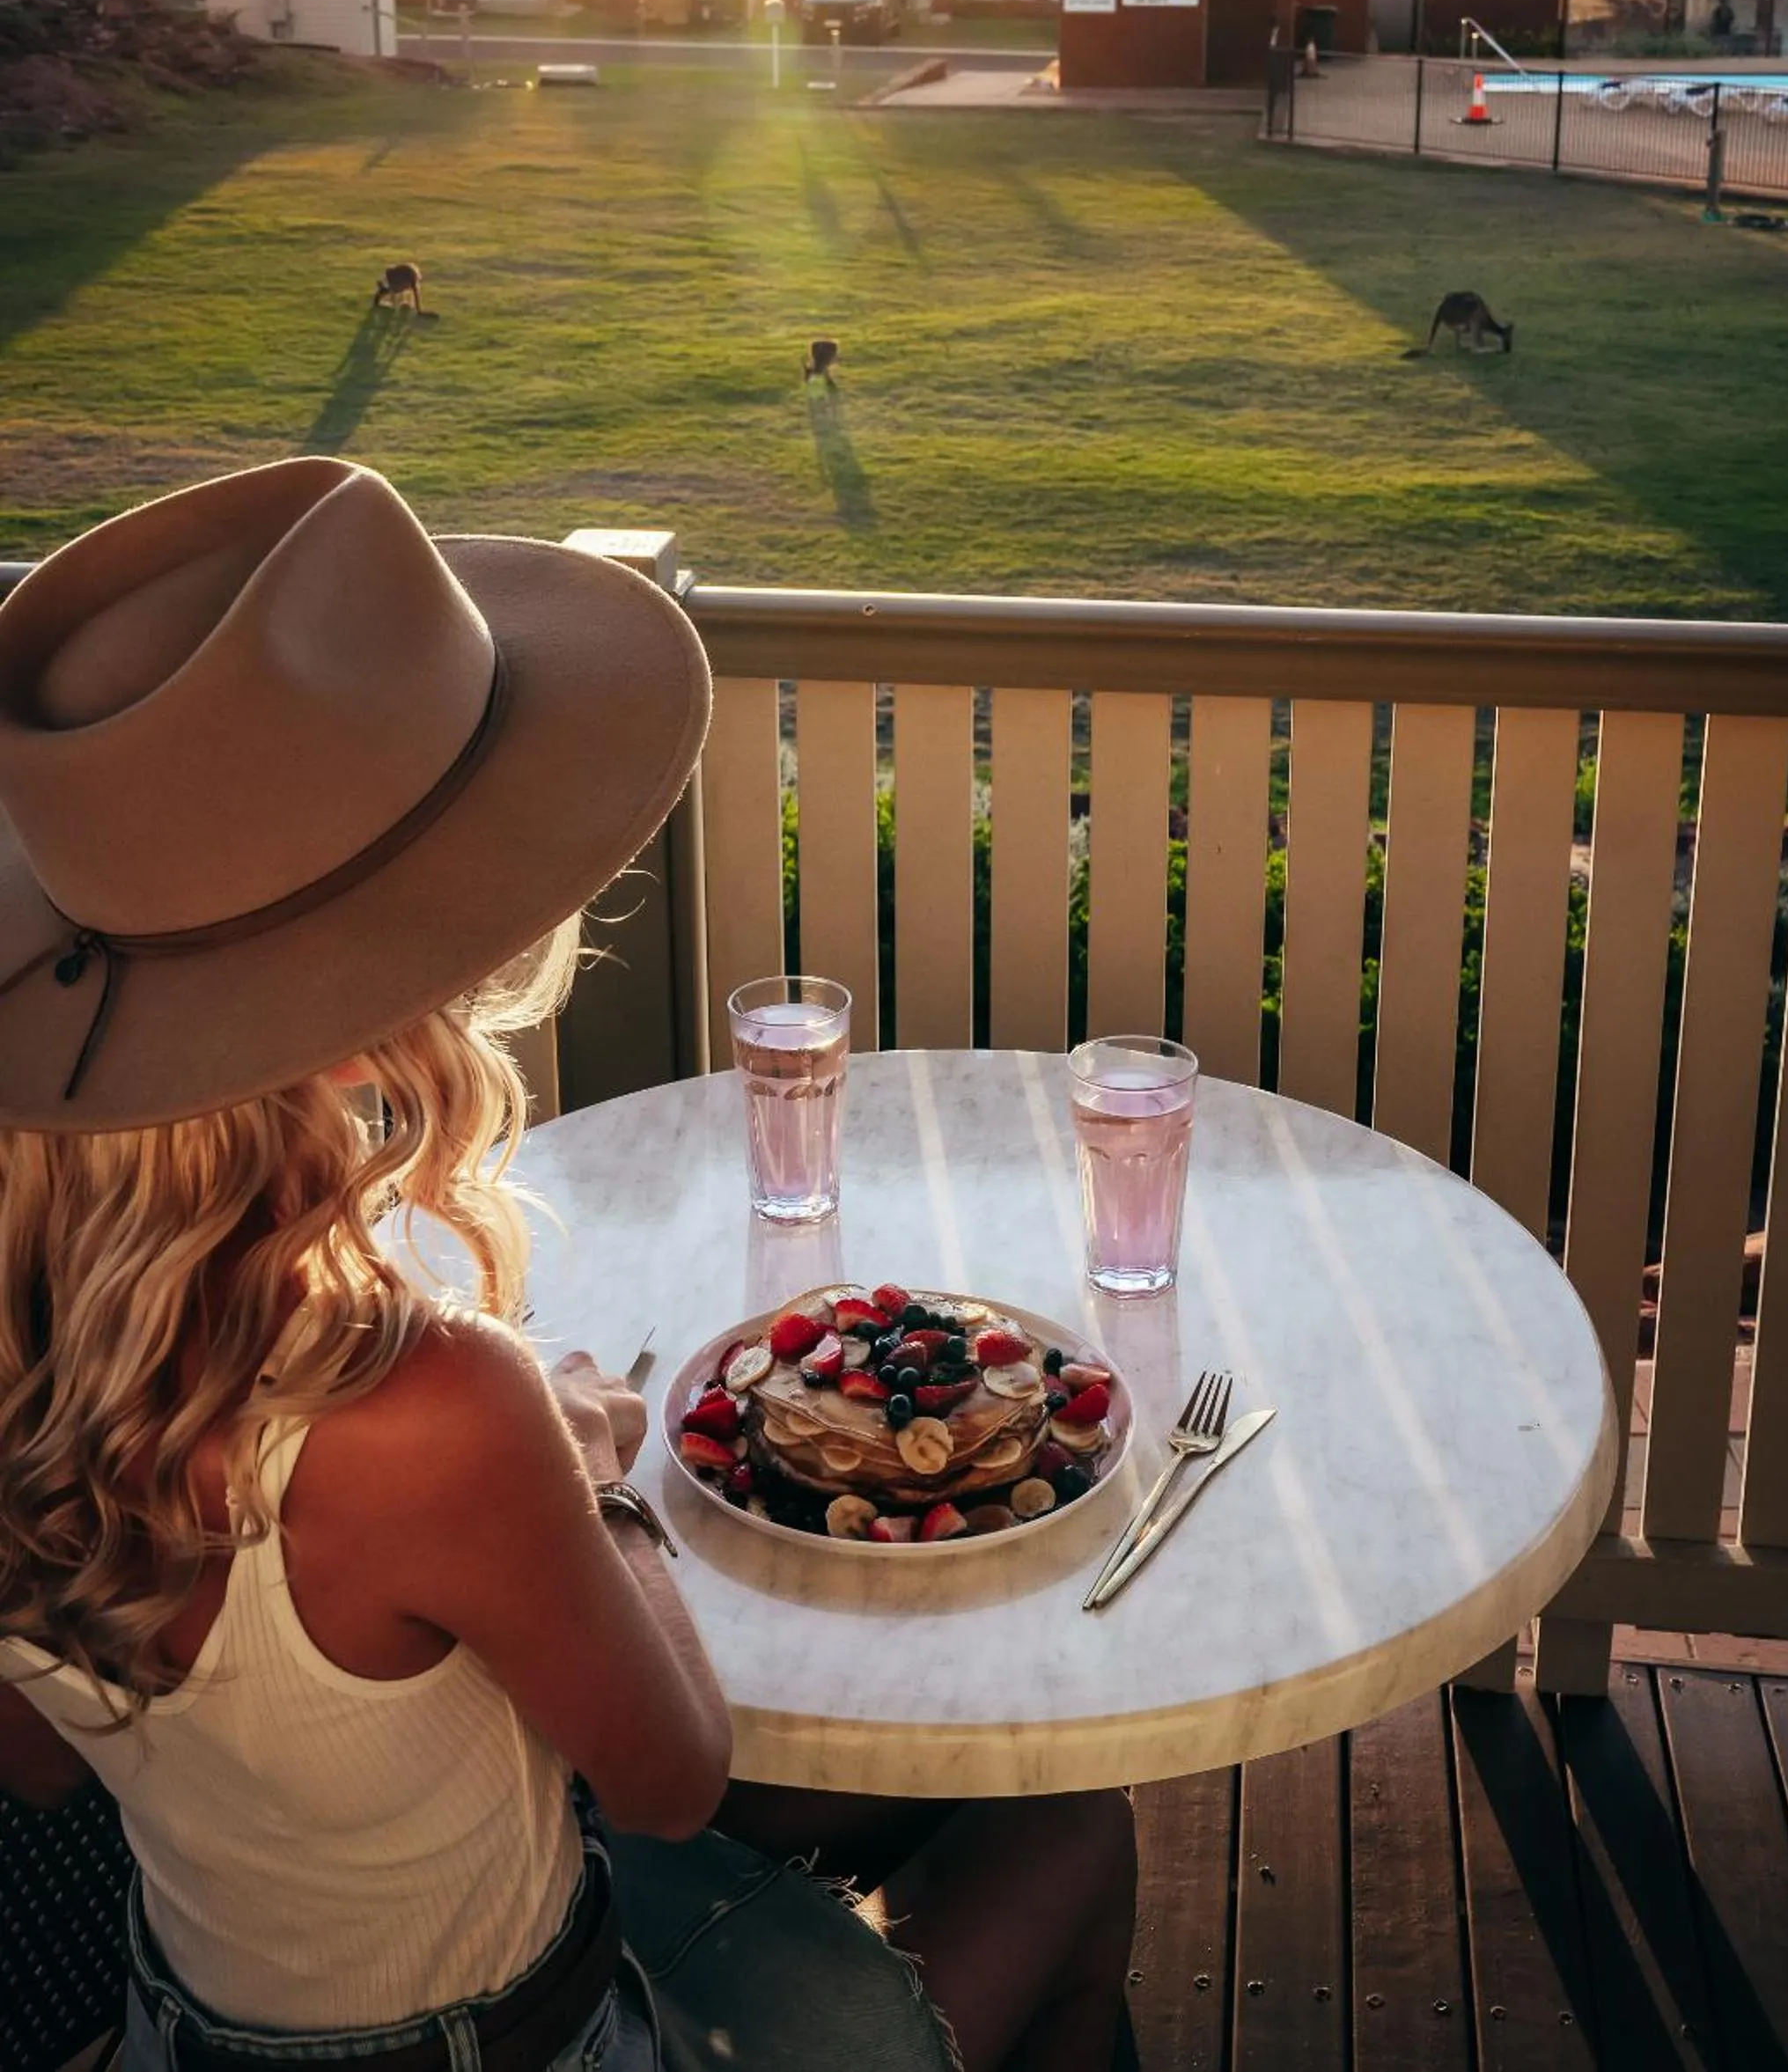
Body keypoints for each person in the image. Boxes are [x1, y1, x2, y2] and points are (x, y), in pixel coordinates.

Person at [0, 458, 1137, 2072]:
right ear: (361, 1023)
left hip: (177, 2022)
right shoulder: (429, 1402)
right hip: (531, 2038)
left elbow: (43, 1766)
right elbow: (670, 1778)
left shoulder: (26, 1340)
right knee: (1068, 1838)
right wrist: (587, 1468)